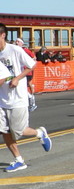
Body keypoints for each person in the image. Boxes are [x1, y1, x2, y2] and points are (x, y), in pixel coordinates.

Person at [0, 23, 52, 173]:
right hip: (2, 98)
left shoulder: (15, 50)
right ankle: (19, 160)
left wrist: (17, 78)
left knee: (19, 131)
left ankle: (40, 133)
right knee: (4, 131)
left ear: (3, 35)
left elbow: (32, 64)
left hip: (18, 98)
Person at [16, 38, 36, 111]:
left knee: (24, 86)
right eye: (16, 41)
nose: (16, 42)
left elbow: (34, 58)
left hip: (26, 72)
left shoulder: (25, 50)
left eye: (18, 41)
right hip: (18, 72)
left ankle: (31, 99)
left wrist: (28, 65)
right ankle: (30, 98)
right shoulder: (15, 50)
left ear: (21, 43)